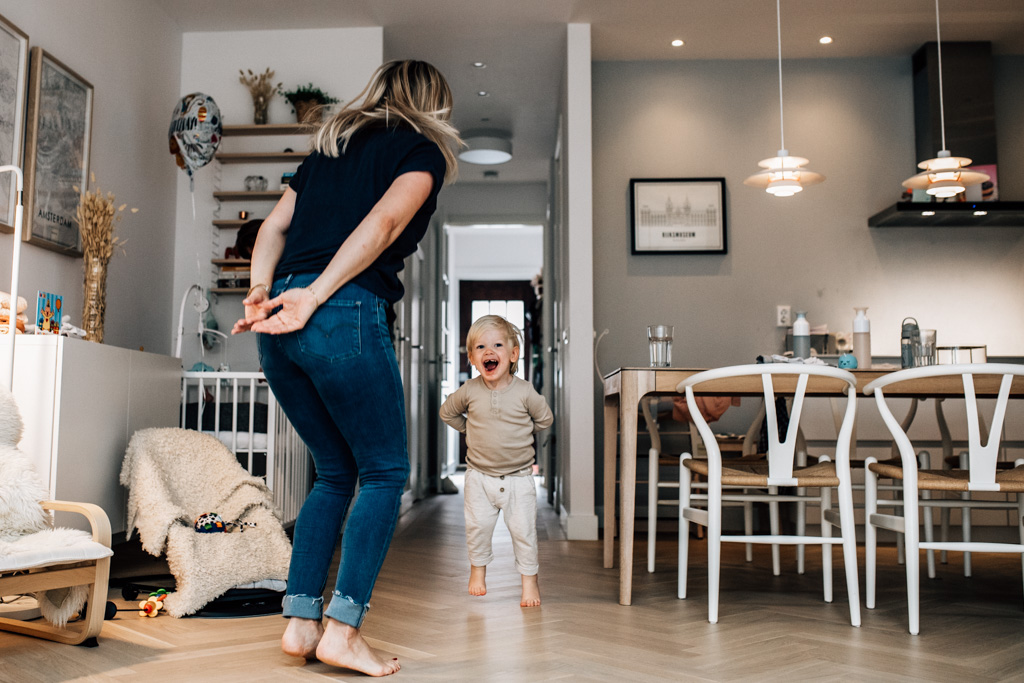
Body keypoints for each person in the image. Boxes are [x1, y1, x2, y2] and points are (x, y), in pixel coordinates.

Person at [231, 59, 461, 677]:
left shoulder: (328, 148)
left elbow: (272, 226)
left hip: (277, 323)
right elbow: (383, 225)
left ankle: (300, 622)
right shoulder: (422, 149)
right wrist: (318, 293)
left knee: (333, 473)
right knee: (384, 472)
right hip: (338, 311)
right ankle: (343, 631)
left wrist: (261, 292)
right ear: (432, 102)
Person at [439, 315, 553, 607]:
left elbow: (545, 418)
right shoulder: (470, 391)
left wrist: (523, 431)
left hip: (518, 478)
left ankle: (530, 583)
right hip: (479, 477)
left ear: (513, 354)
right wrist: (470, 429)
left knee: (524, 532)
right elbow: (447, 412)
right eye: (480, 347)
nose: (489, 351)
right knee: (477, 528)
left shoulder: (525, 391)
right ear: (473, 359)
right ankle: (478, 572)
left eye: (498, 345)